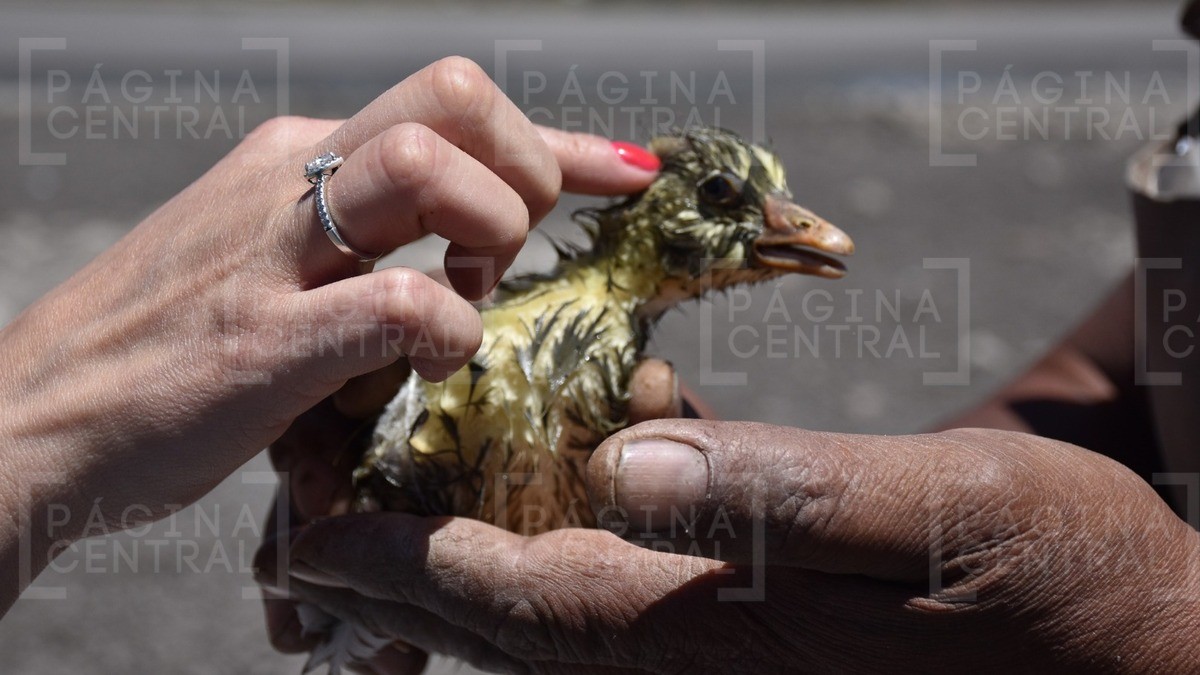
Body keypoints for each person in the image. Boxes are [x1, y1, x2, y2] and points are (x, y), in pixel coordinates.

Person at [3, 55, 1196, 672]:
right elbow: (1112, 386)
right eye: (734, 201)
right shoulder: (512, 325)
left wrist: (1157, 631)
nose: (805, 231)